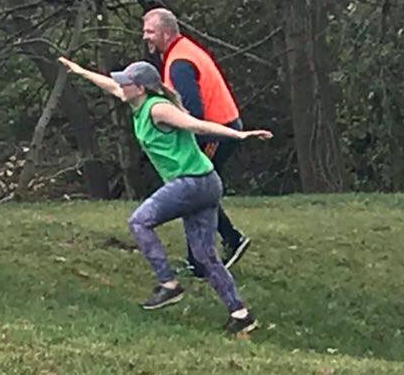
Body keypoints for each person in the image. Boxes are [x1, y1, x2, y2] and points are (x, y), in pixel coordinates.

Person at [58, 56, 273, 335]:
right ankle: (241, 315)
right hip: (206, 183)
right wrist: (79, 70)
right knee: (205, 256)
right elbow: (110, 85)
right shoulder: (136, 102)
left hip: (192, 184)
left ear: (142, 88)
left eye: (127, 82)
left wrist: (238, 136)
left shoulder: (158, 109)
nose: (121, 85)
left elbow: (196, 125)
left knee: (139, 221)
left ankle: (168, 285)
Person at [142, 7, 250, 275]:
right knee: (194, 189)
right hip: (218, 127)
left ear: (166, 33)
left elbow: (192, 109)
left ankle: (218, 249)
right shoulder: (181, 51)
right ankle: (210, 253)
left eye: (150, 32)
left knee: (193, 187)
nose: (145, 37)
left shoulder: (179, 63)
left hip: (216, 131)